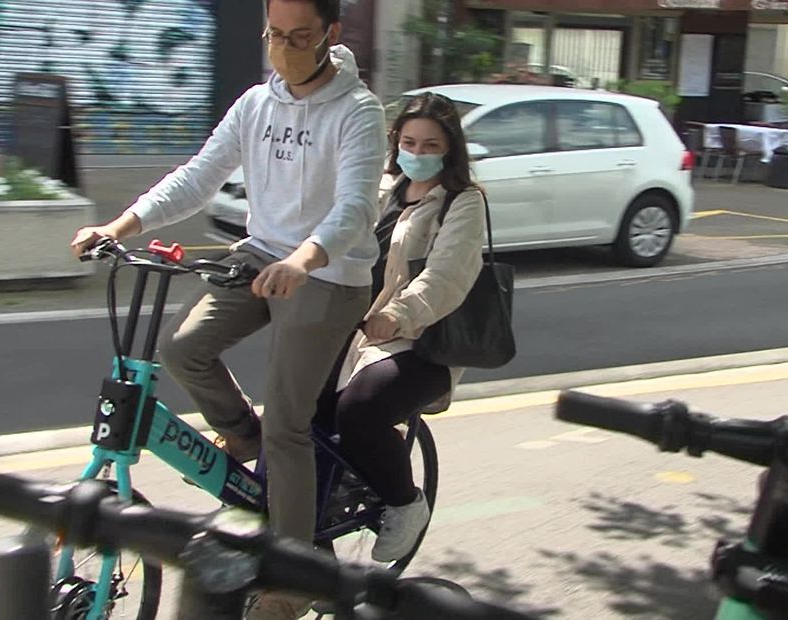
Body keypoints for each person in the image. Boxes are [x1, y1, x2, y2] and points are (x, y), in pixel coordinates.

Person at [70, 0, 386, 617]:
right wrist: (121, 224)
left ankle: (296, 580)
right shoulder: (254, 105)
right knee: (183, 348)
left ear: (330, 35)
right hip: (259, 255)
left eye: (301, 36)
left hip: (329, 271)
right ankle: (243, 439)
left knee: (289, 424)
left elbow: (354, 208)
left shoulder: (358, 112)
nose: (286, 48)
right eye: (276, 35)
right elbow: (198, 176)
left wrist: (304, 260)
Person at [313, 92, 485, 563]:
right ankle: (311, 548)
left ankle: (405, 503)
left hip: (421, 342)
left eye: (431, 145)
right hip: (359, 332)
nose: (418, 153)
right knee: (298, 405)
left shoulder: (462, 203)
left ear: (450, 148)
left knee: (358, 411)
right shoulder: (382, 187)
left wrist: (397, 315)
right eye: (409, 142)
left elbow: (445, 277)